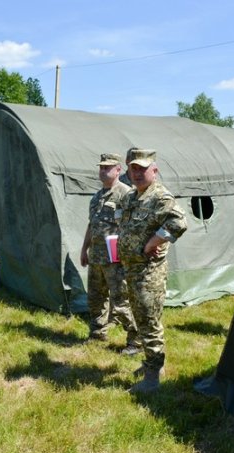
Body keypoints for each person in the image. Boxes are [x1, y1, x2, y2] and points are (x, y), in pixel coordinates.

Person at [118, 148, 188, 393]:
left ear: (154, 170)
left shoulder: (160, 196)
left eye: (142, 168)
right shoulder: (130, 197)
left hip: (148, 272)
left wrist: (154, 242)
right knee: (141, 320)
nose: (137, 173)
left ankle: (152, 379)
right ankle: (152, 365)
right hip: (131, 269)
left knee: (149, 321)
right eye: (133, 168)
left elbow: (179, 222)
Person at [80, 153, 140, 355]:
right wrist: (84, 249)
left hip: (116, 260)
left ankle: (135, 340)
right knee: (95, 298)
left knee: (121, 302)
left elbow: (134, 227)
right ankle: (98, 333)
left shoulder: (127, 195)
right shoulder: (97, 197)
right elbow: (92, 224)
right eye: (101, 167)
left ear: (118, 170)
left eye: (108, 167)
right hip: (96, 257)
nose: (103, 171)